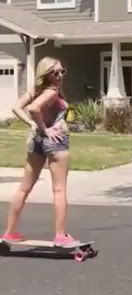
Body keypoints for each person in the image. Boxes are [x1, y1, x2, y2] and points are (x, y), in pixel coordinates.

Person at [1, 56, 79, 247]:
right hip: (56, 143)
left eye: (62, 71)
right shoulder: (52, 92)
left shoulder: (37, 90)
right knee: (59, 189)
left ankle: (10, 232)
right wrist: (44, 129)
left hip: (36, 142)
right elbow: (35, 108)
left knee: (24, 188)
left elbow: (17, 107)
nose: (60, 75)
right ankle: (60, 235)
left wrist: (33, 126)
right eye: (55, 72)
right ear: (46, 74)